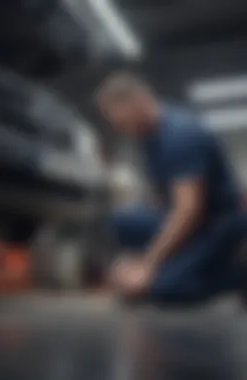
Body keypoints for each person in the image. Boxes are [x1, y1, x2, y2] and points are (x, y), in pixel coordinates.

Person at [95, 71, 245, 303]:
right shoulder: (147, 138)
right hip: (189, 221)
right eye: (118, 124)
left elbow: (188, 211)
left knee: (166, 288)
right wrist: (128, 261)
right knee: (121, 220)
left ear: (141, 101)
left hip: (216, 222)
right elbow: (161, 198)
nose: (122, 129)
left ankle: (234, 273)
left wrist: (148, 263)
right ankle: (178, 265)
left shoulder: (179, 134)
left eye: (123, 122)